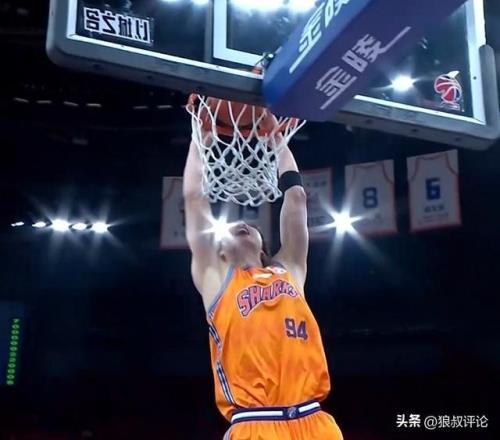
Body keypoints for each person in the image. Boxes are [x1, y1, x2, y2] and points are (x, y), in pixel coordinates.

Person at [183, 112, 343, 440]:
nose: (241, 225)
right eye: (231, 228)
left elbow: (297, 199)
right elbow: (194, 200)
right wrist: (199, 142)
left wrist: (278, 143)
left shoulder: (289, 269)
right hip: (255, 421)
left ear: (262, 244)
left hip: (314, 419)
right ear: (219, 250)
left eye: (250, 226)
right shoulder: (215, 279)